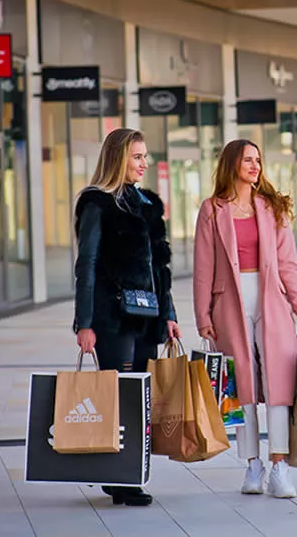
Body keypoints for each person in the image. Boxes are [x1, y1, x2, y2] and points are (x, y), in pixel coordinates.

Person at [192, 139, 297, 499]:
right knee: (241, 385)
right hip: (228, 302)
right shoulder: (212, 210)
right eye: (248, 160)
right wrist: (203, 316)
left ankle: (279, 467)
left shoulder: (271, 207)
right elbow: (203, 267)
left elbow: (288, 263)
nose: (255, 166)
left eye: (258, 160)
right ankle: (252, 465)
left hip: (271, 300)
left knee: (278, 382)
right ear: (232, 164)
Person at [73, 128, 181, 507]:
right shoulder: (96, 203)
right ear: (119, 159)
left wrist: (169, 313)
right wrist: (83, 323)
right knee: (117, 396)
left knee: (141, 398)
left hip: (147, 316)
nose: (144, 163)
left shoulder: (149, 204)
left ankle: (129, 474)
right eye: (137, 157)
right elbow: (86, 264)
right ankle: (120, 480)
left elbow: (161, 266)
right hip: (112, 317)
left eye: (145, 156)